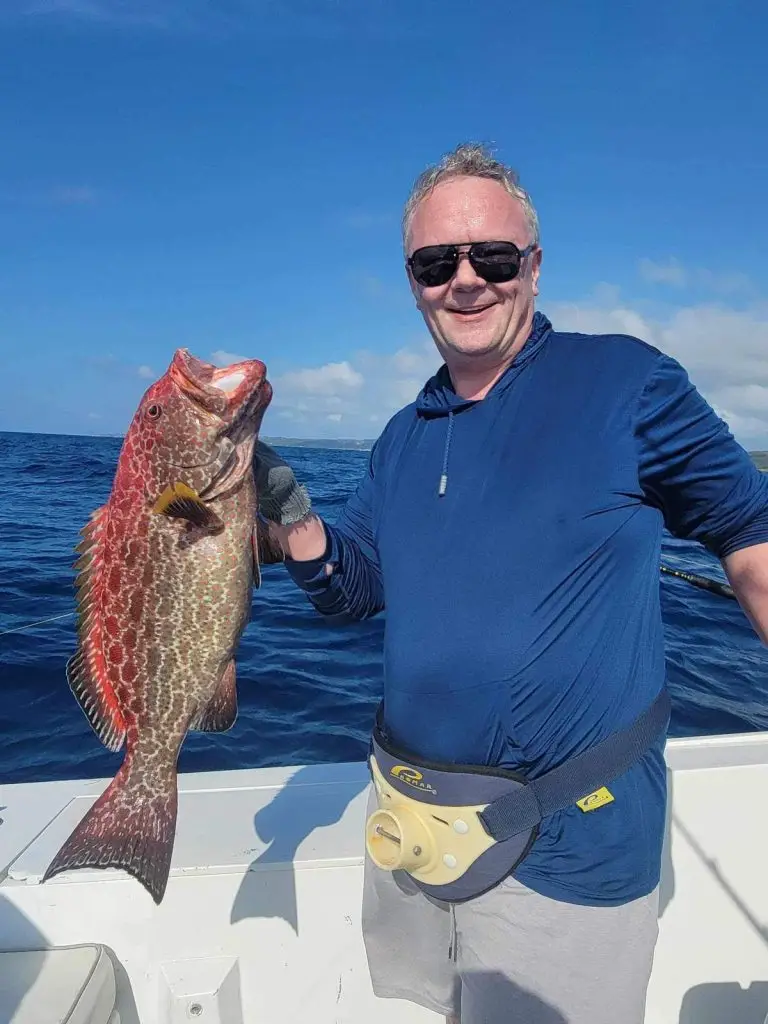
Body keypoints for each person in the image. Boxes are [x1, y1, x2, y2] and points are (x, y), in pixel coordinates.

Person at [252, 142, 768, 1024]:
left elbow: (751, 542)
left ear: (533, 265)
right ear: (411, 280)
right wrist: (296, 525)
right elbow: (356, 590)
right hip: (412, 830)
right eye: (435, 263)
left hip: (568, 848)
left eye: (491, 257)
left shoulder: (626, 383)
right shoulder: (401, 435)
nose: (466, 281)